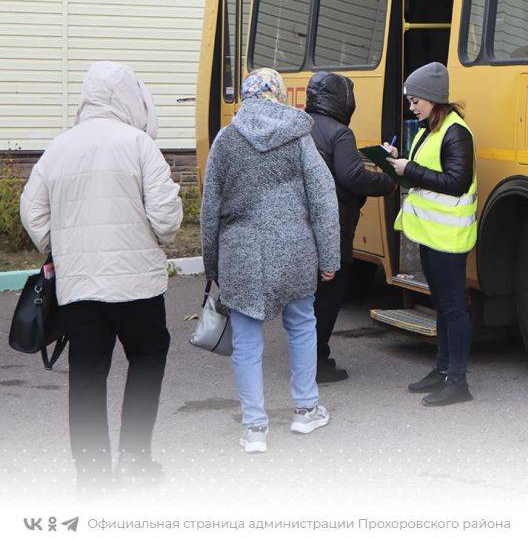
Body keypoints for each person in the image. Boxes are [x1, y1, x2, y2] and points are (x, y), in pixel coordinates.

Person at [19, 61, 183, 489]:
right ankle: (134, 459)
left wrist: (57, 248)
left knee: (87, 374)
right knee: (147, 359)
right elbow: (166, 219)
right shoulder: (139, 144)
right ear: (129, 96)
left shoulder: (59, 148)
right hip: (137, 287)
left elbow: (31, 210)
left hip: (80, 288)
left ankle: (92, 475)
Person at [200, 69, 340, 453]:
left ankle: (255, 429)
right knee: (301, 325)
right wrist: (329, 257)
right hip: (294, 248)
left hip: (241, 252)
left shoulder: (226, 140)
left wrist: (212, 265)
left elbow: (210, 208)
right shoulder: (297, 136)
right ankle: (306, 409)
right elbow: (323, 197)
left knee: (246, 340)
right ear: (277, 94)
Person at [385, 62, 477, 407]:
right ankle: (441, 371)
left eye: (415, 101)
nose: (412, 107)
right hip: (432, 235)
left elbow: (457, 183)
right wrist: (397, 161)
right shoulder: (430, 129)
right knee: (442, 306)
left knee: (453, 309)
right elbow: (430, 173)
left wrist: (411, 169)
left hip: (449, 240)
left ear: (432, 99)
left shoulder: (456, 132)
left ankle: (458, 382)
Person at [306, 72, 395, 383]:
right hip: (333, 225)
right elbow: (351, 176)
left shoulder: (302, 125)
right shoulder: (340, 133)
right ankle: (317, 362)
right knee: (329, 296)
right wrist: (388, 181)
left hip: (301, 225)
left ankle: (304, 357)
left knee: (308, 298)